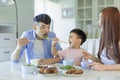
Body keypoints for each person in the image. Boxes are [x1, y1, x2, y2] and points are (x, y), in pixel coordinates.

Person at [83, 7, 120, 71]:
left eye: (100, 18)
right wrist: (91, 57)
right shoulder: (104, 40)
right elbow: (104, 64)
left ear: (109, 21)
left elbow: (105, 66)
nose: (98, 22)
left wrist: (104, 67)